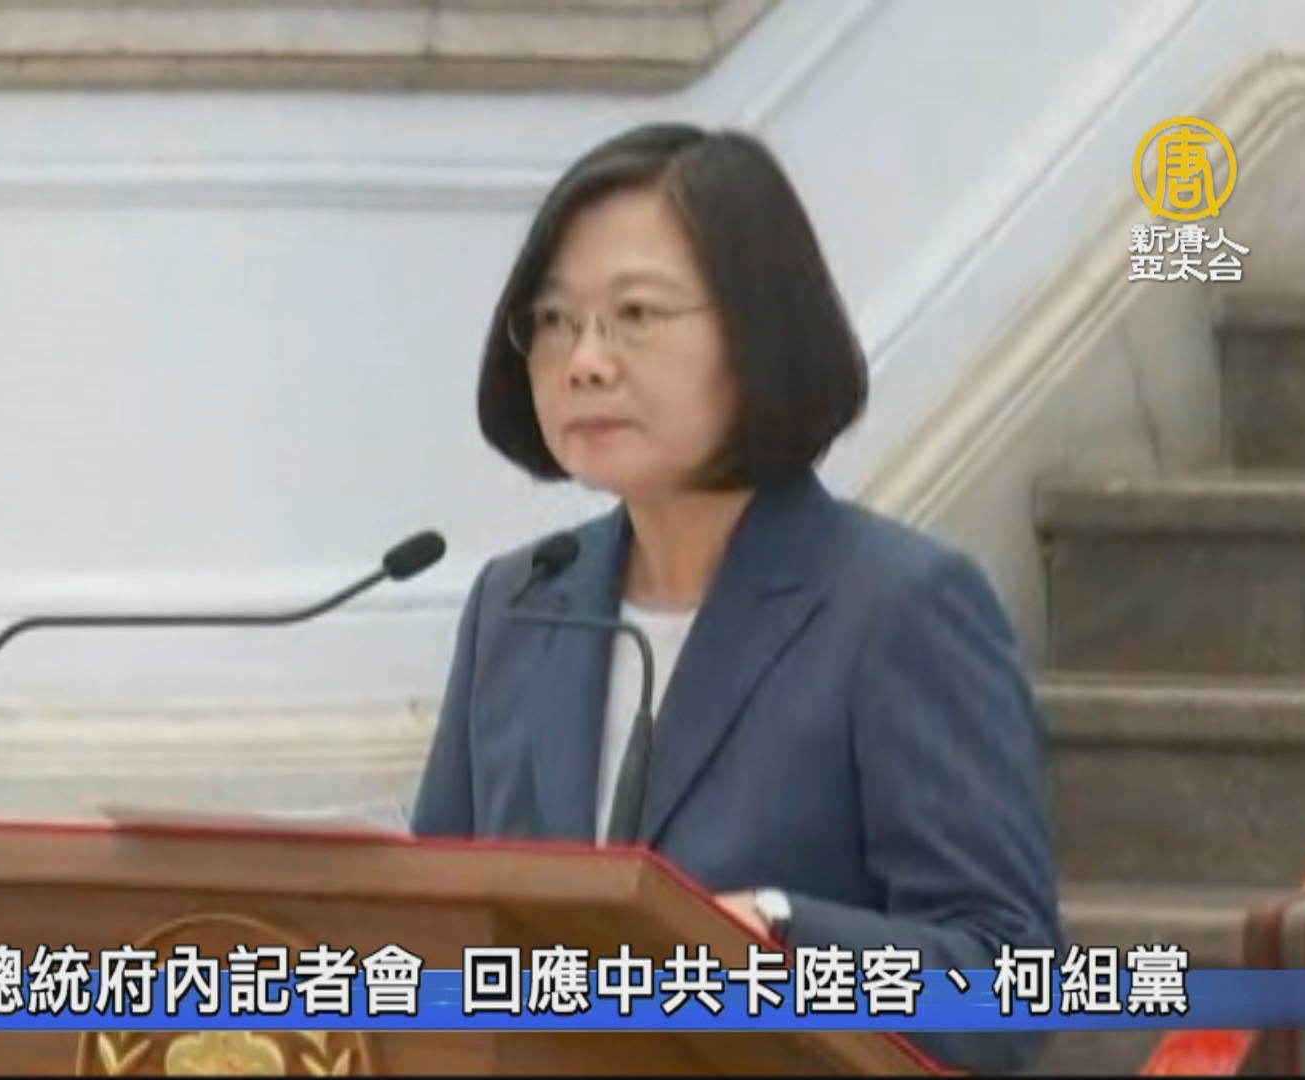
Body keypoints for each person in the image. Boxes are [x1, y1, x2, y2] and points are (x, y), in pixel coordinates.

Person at [408, 122, 1061, 1074]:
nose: (583, 360)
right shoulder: (520, 602)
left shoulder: (898, 607)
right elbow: (436, 927)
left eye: (635, 313)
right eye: (552, 320)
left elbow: (1006, 984)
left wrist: (779, 932)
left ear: (757, 334)